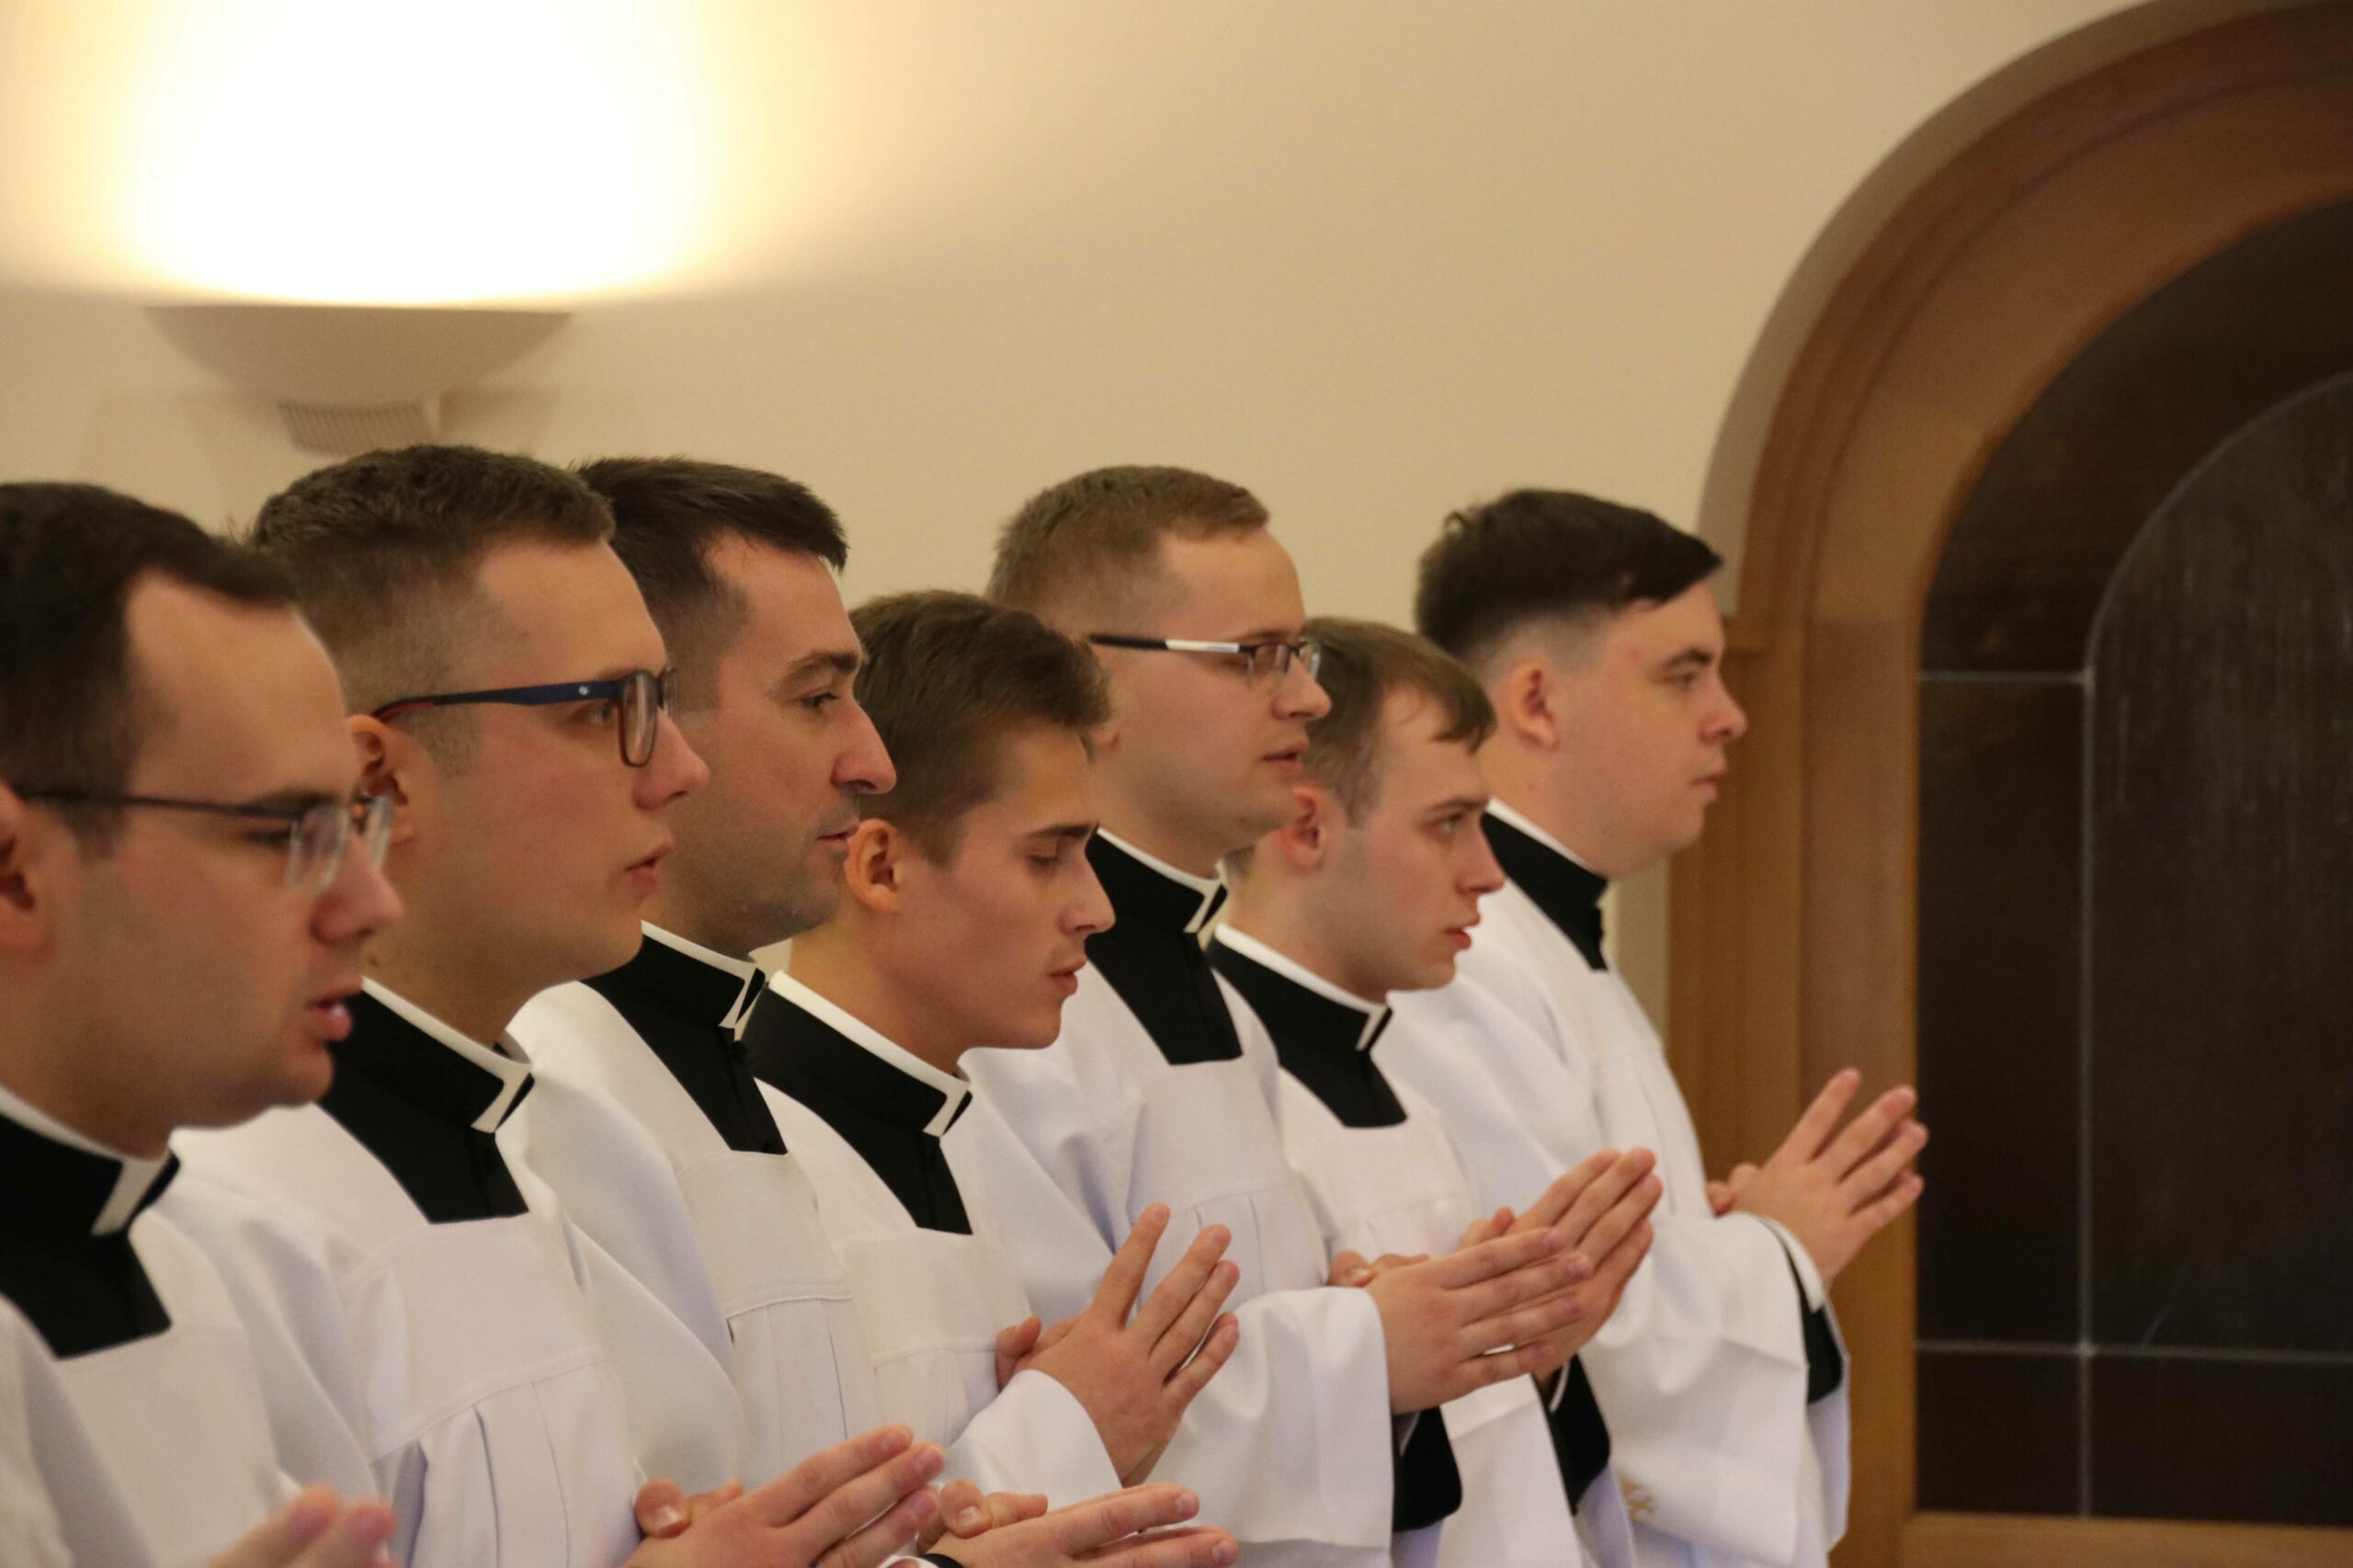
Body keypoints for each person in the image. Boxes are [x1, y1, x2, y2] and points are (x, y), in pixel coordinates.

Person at [162, 447, 952, 1568]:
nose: (677, 770)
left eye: (662, 704)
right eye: (608, 710)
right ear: (379, 777)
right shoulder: (227, 1212)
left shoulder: (519, 1158)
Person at [510, 458, 1240, 1568]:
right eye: (816, 699)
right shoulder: (561, 1093)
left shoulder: (717, 1069)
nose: (870, 759)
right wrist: (1049, 1440)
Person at [970, 465, 1620, 1564]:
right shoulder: (1012, 1020)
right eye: (1256, 656)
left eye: (1300, 654)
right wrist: (1367, 1344)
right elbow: (1039, 1425)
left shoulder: (1224, 1004)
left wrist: (1386, 1315)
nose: (1308, 699)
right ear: (1087, 678)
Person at [1381, 491, 1927, 1568]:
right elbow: (1551, 1318)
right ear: (1537, 700)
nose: (1728, 715)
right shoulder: (1465, 955)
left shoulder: (1549, 943)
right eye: (1683, 674)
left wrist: (1714, 1236)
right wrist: (1777, 1248)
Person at [735, 589, 1243, 1568]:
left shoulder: (949, 1129)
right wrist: (1067, 1425)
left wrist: (1069, 1418)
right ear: (882, 867)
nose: (1095, 908)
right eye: (1048, 856)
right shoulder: (760, 1158)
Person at [0, 481, 405, 1567]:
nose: (372, 902)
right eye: (285, 831)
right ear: (15, 872)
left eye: (354, 822)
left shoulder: (173, 1266)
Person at [1212, 616, 1662, 1568]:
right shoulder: (1225, 1107)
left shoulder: (1407, 1093)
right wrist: (1375, 1366)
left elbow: (1509, 1484)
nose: (1487, 874)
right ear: (1305, 826)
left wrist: (1530, 1345)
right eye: (1447, 823)